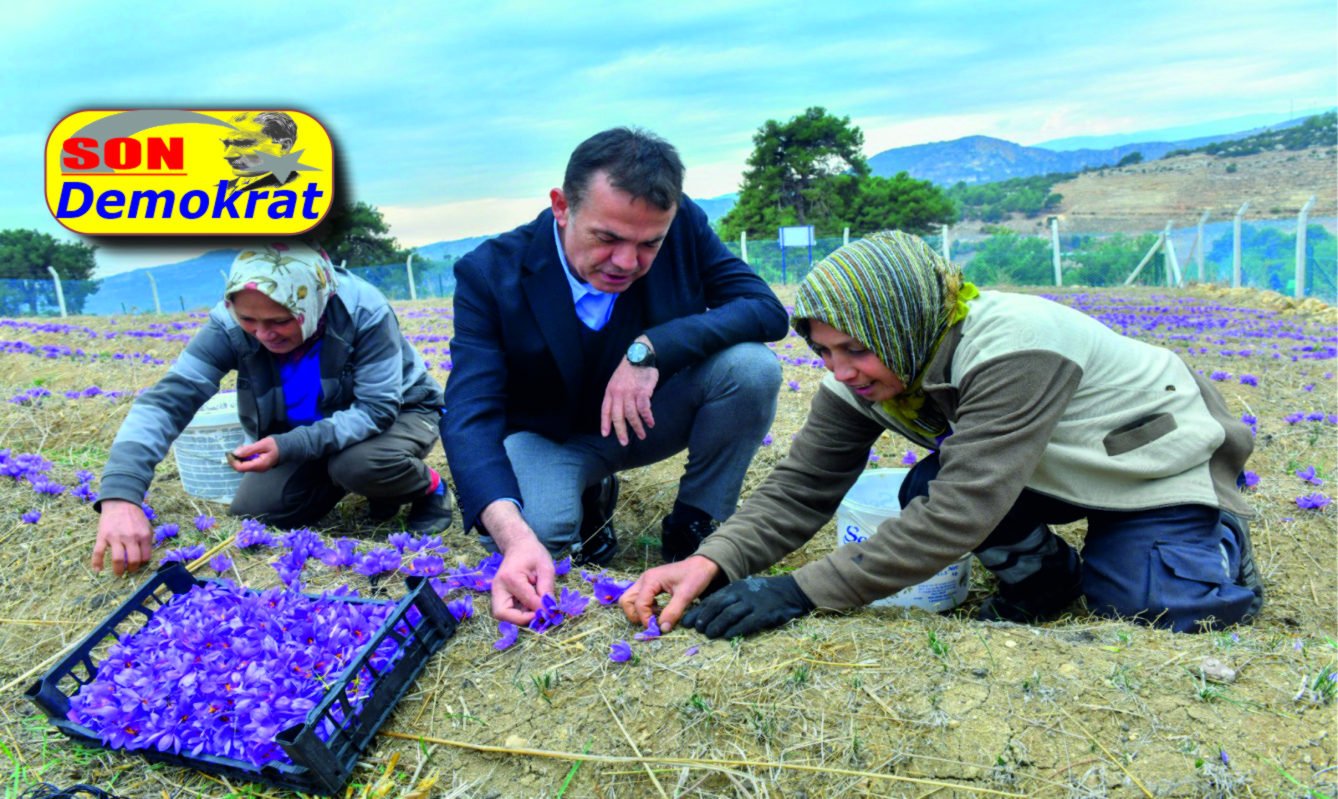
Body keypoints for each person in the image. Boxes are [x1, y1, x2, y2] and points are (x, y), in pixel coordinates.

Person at [621, 230, 1264, 637]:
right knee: (923, 485)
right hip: (1047, 463)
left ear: (900, 321)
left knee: (1160, 608)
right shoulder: (869, 373)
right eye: (822, 352)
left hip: (1147, 461)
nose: (840, 372)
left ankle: (1214, 536)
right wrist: (711, 562)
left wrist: (797, 592)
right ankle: (1046, 580)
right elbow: (801, 488)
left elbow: (964, 508)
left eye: (855, 348)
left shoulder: (1015, 346)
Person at [442, 127, 788, 626]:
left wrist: (651, 349)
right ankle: (587, 497)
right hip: (551, 436)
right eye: (607, 238)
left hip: (649, 415)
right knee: (534, 536)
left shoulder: (683, 223)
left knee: (751, 368)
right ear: (562, 207)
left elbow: (763, 309)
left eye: (649, 243)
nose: (627, 262)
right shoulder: (490, 273)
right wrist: (514, 538)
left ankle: (696, 524)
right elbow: (469, 415)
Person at [91, 241, 452, 576]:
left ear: (313, 303)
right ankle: (369, 484)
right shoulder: (228, 325)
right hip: (312, 428)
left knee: (358, 464)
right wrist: (121, 494)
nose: (263, 334)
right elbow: (166, 402)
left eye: (281, 320)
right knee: (259, 511)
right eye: (250, 320)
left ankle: (428, 489)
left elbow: (376, 409)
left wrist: (289, 447)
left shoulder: (362, 311)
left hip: (401, 411)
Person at [221, 112, 301, 195]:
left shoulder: (299, 189)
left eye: (243, 143)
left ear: (284, 146)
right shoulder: (219, 189)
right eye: (226, 144)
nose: (227, 155)